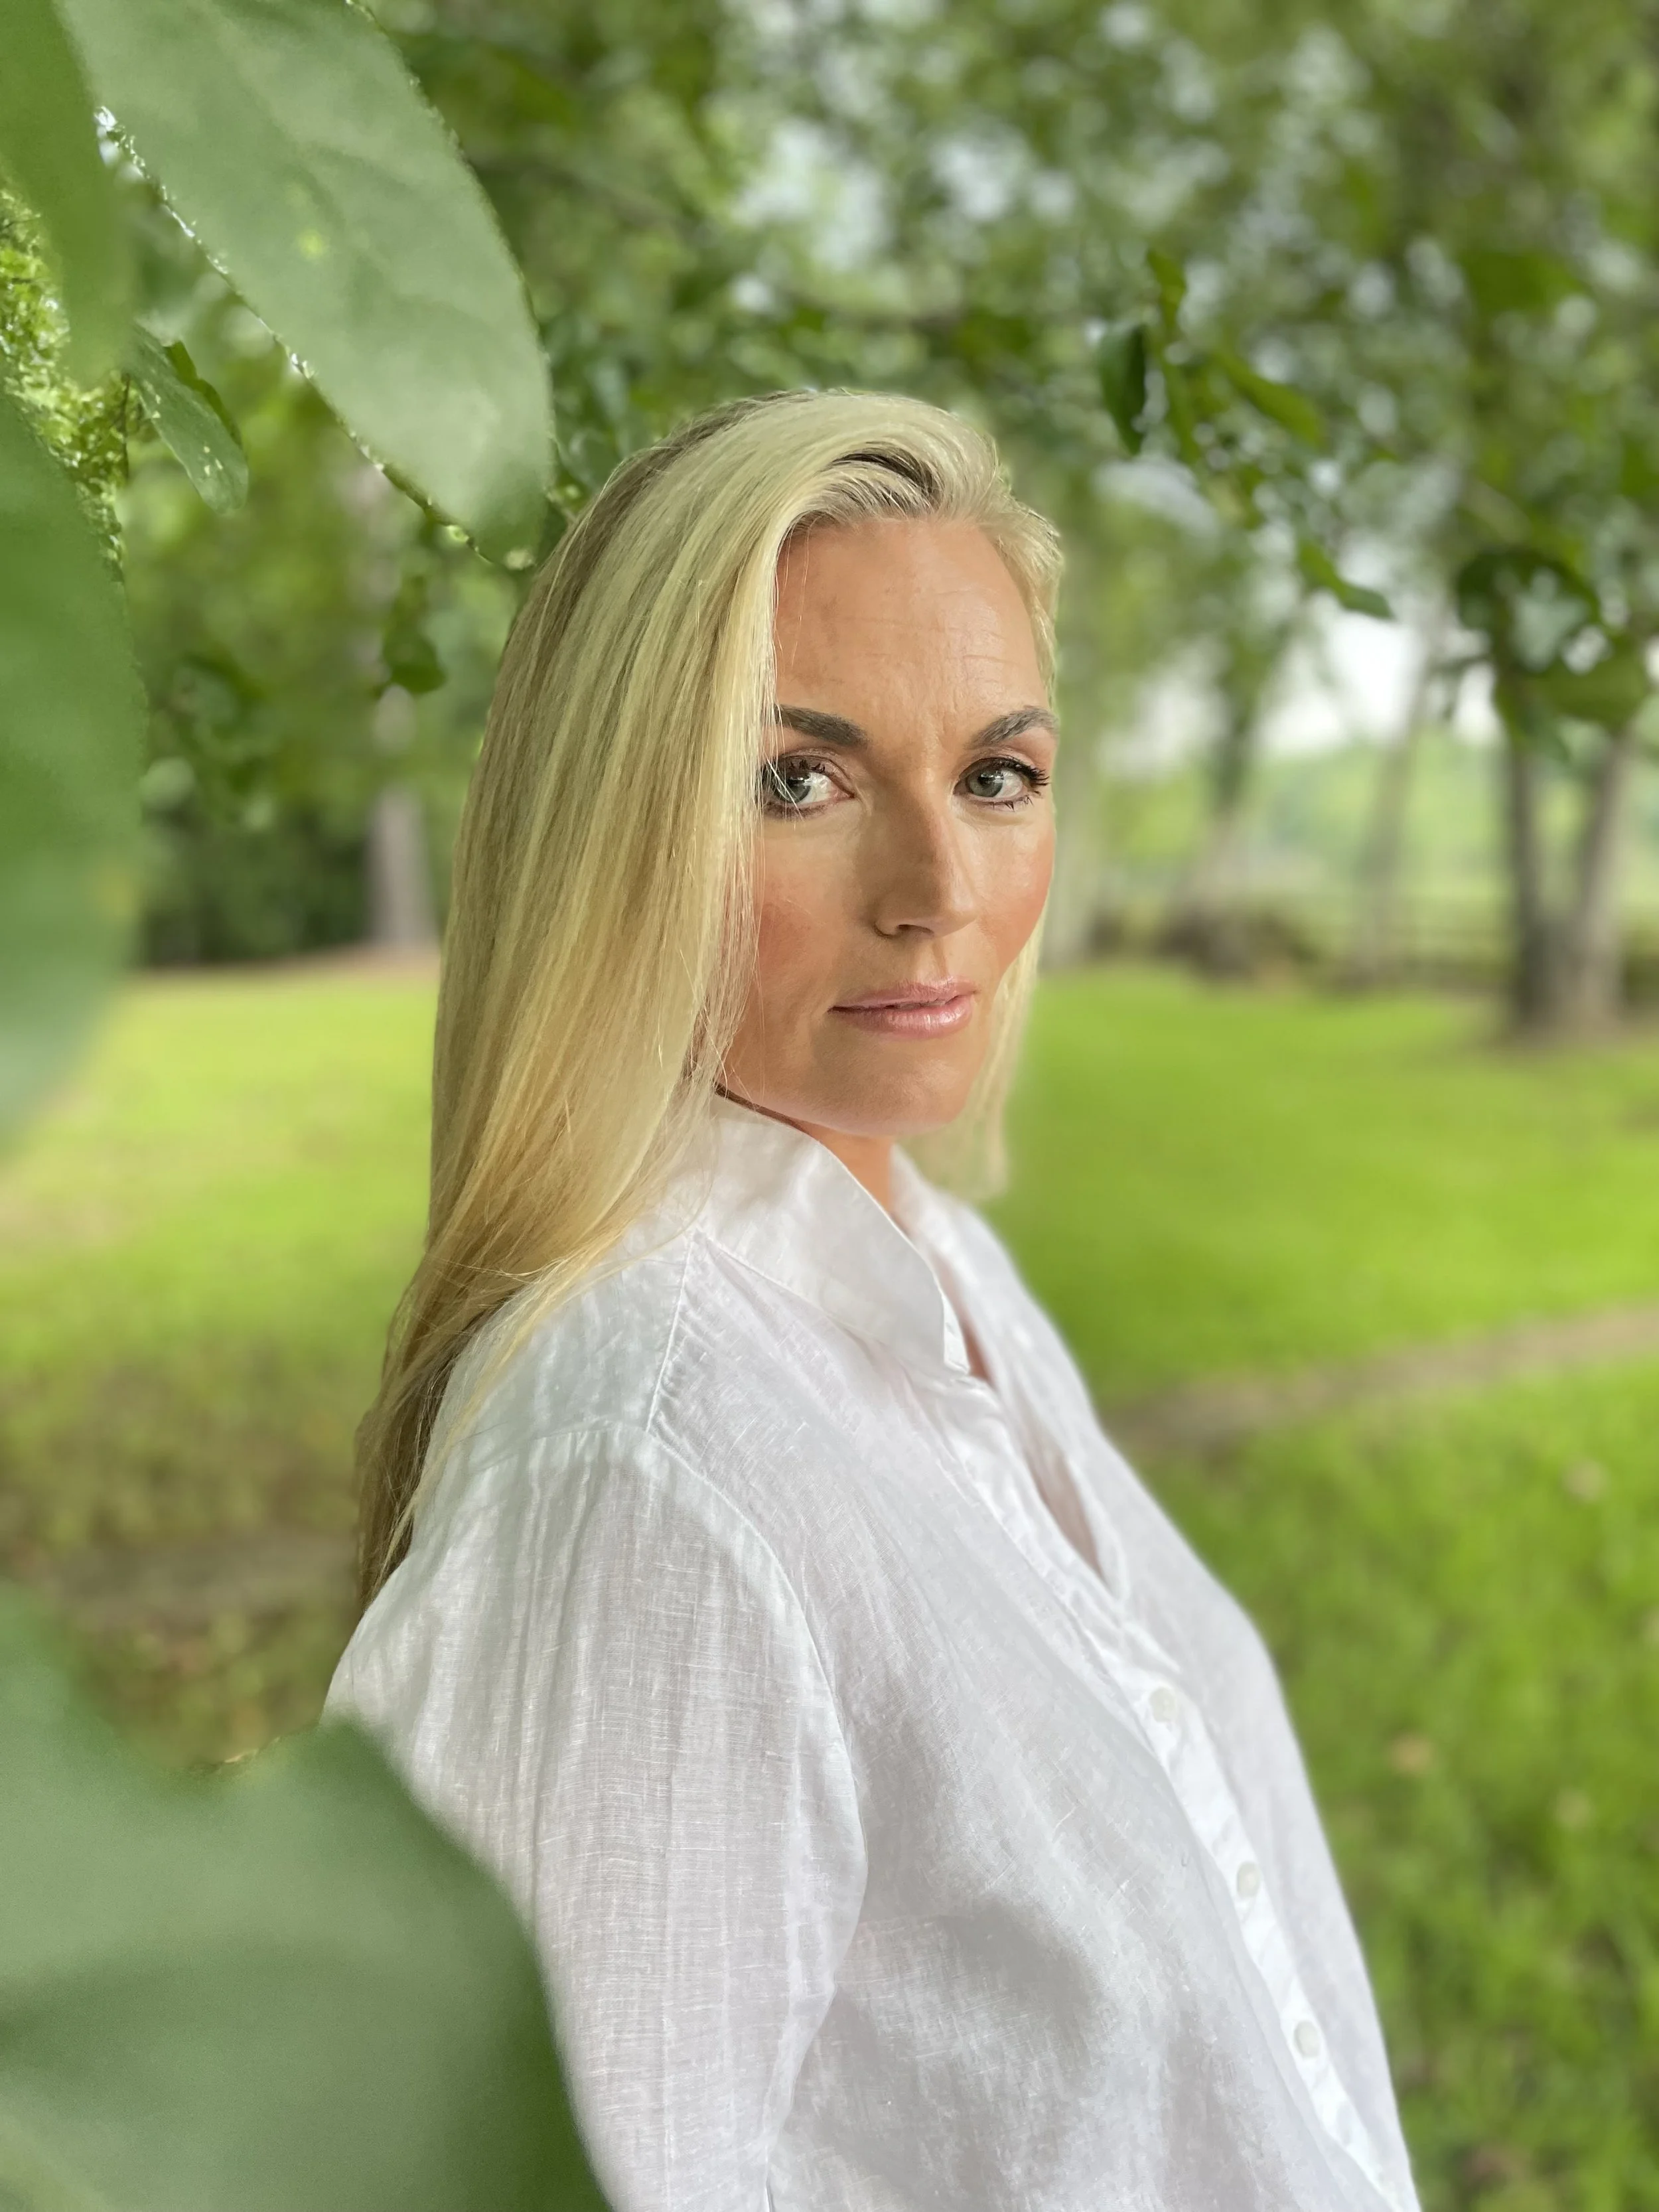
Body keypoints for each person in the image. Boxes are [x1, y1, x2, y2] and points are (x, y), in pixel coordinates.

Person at [327, 390, 1419, 2212]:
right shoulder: (654, 1472)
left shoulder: (925, 1257)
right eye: (797, 778)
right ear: (622, 826)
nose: (940, 895)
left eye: (996, 773)